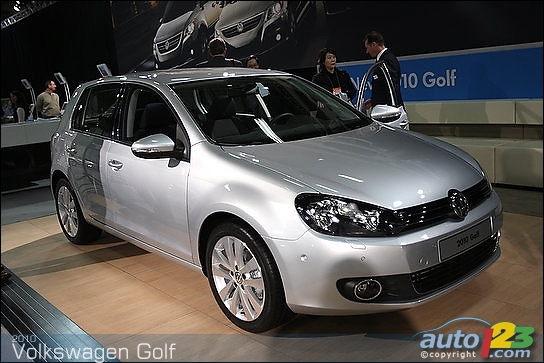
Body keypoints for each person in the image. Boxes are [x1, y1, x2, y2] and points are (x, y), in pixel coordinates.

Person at [363, 30, 404, 110]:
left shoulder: (387, 60)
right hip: (384, 109)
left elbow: (392, 88)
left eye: (367, 48)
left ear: (374, 44)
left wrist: (392, 111)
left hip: (389, 113)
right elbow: (383, 87)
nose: (367, 52)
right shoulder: (382, 60)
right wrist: (374, 101)